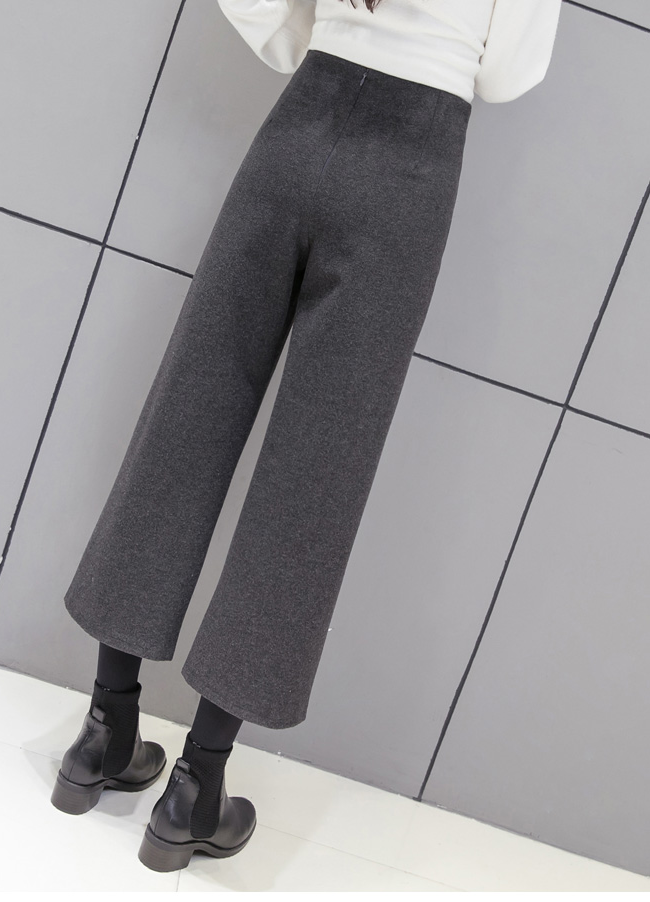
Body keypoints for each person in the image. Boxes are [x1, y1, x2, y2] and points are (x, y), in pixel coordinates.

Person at [51, 0, 563, 874]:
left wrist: (328, 38)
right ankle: (196, 788)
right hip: (411, 168)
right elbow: (511, 71)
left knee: (190, 409)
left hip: (300, 126)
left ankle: (105, 729)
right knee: (316, 471)